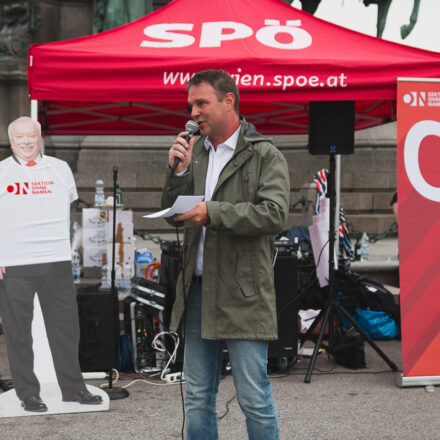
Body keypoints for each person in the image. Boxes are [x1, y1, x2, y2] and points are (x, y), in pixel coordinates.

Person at [161, 70, 290, 440]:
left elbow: (274, 214)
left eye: (202, 103)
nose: (194, 112)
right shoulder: (195, 152)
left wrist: (211, 212)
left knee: (252, 395)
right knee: (198, 394)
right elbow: (172, 214)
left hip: (243, 291)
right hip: (198, 289)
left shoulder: (264, 154)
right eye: (191, 105)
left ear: (229, 101)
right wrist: (178, 174)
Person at [0, 117, 102, 412]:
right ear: (11, 140)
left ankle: (74, 388)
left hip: (56, 260)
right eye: (20, 137)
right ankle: (27, 393)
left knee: (66, 330)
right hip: (14, 263)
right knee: (19, 333)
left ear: (39, 136)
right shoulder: (2, 172)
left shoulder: (60, 169)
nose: (27, 141)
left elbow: (68, 204)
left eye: (31, 135)